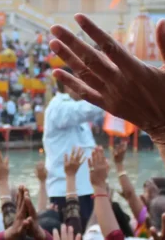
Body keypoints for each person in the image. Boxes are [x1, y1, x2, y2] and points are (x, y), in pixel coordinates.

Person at [41, 67, 103, 224]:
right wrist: (107, 95)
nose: (83, 86)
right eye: (79, 81)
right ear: (68, 84)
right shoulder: (58, 107)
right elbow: (87, 110)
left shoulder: (73, 107)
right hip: (64, 190)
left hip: (85, 188)